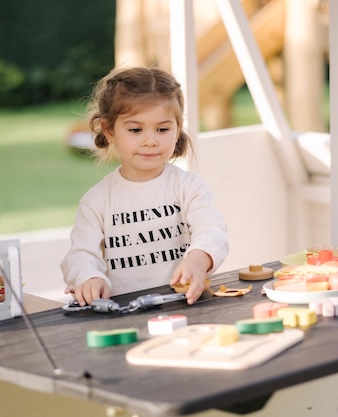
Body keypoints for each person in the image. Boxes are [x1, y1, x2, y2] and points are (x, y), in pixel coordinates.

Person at [61, 66, 229, 306]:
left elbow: (212, 231)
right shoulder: (97, 200)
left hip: (187, 304)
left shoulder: (190, 187)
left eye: (163, 129)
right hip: (125, 312)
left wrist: (198, 259)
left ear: (177, 129)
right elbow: (80, 255)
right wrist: (89, 277)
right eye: (135, 130)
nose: (150, 140)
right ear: (109, 131)